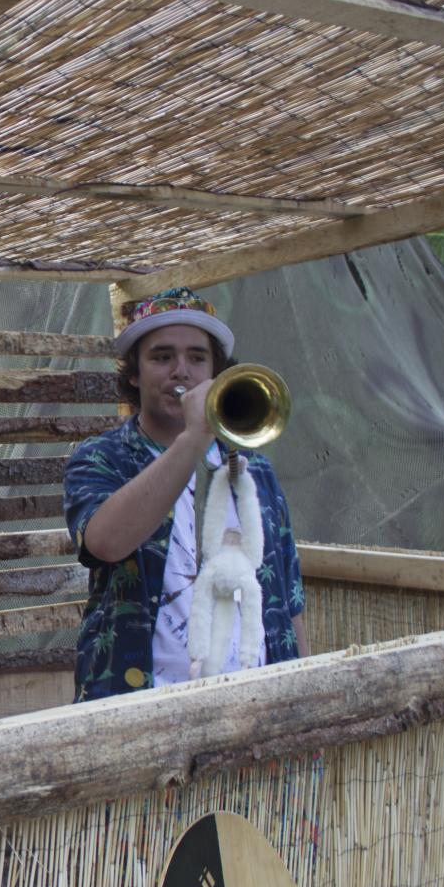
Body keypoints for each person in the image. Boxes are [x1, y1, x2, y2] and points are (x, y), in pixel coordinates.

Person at [63, 286, 307, 702]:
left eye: (197, 358)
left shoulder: (256, 470)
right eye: (162, 357)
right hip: (138, 704)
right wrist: (195, 437)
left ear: (216, 373)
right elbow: (104, 543)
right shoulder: (101, 457)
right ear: (134, 374)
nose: (181, 371)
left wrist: (303, 695)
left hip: (256, 702)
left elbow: (289, 597)